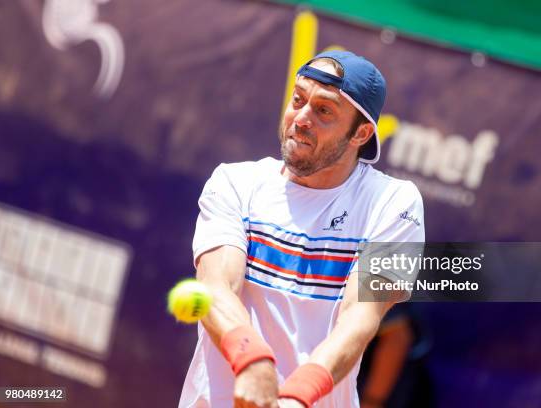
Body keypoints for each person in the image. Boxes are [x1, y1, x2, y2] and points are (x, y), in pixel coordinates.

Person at [178, 50, 425, 408]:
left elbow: (360, 317)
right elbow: (216, 287)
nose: (302, 117)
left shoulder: (395, 203)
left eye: (324, 110)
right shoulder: (233, 182)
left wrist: (298, 396)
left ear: (361, 133)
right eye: (298, 99)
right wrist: (252, 360)